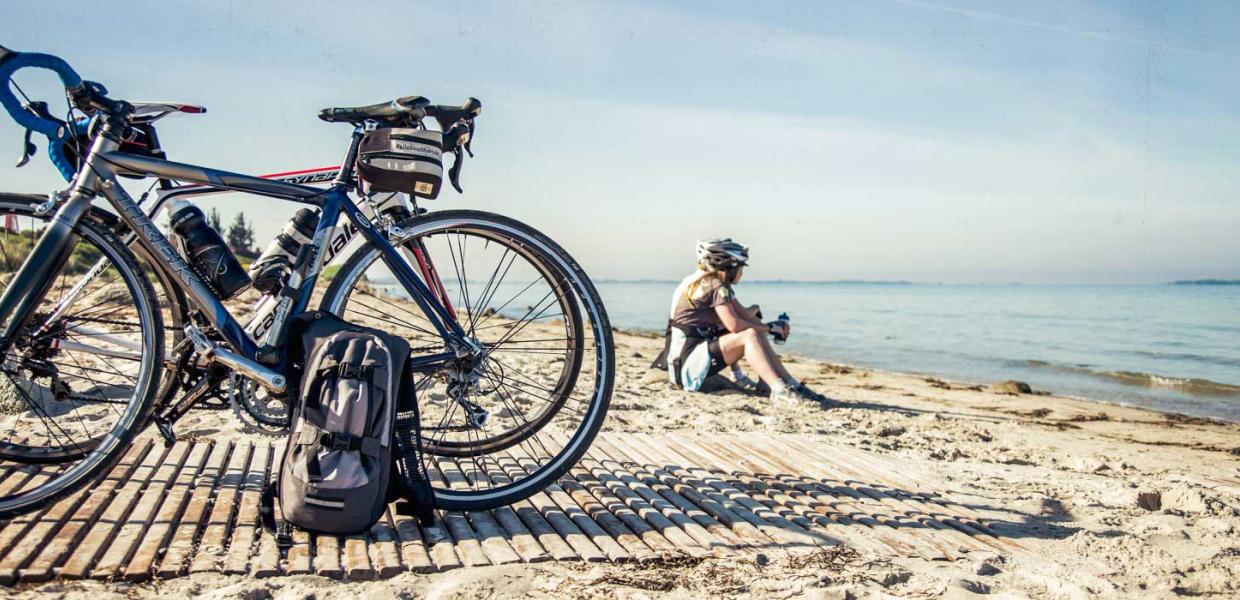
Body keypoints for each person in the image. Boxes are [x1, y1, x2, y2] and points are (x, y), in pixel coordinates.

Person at [654, 238, 828, 405]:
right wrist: (768, 327)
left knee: (754, 328)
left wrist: (769, 324)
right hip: (687, 365)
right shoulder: (716, 286)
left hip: (685, 358)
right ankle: (780, 390)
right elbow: (734, 325)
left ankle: (788, 384)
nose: (742, 273)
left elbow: (744, 314)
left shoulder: (706, 281)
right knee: (749, 335)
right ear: (729, 266)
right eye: (741, 268)